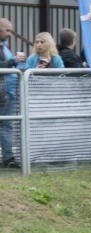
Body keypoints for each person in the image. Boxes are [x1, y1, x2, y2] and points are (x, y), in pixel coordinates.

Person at [0, 17, 25, 168]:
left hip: (9, 91)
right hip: (3, 92)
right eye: (7, 30)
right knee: (5, 125)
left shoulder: (4, 45)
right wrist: (12, 62)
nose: (10, 33)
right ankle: (8, 158)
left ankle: (8, 158)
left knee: (6, 124)